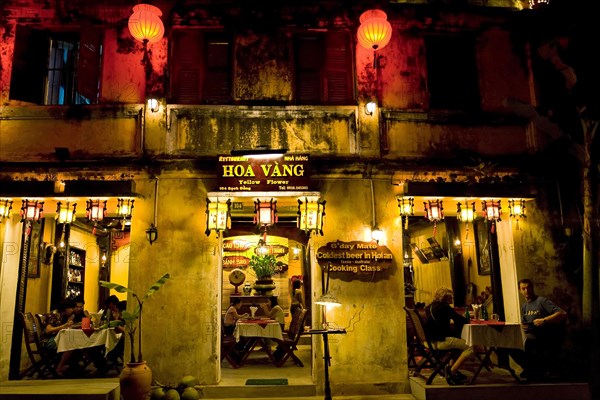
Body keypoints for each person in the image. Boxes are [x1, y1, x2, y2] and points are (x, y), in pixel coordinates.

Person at [514, 278, 567, 380]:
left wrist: (544, 320)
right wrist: (524, 327)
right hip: (530, 337)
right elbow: (525, 323)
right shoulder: (524, 306)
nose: (527, 291)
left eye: (529, 288)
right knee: (511, 346)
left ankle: (533, 371)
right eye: (523, 288)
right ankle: (531, 369)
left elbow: (563, 313)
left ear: (532, 288)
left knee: (529, 345)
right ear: (520, 291)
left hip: (544, 337)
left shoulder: (541, 301)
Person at [424, 286, 474, 385]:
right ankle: (451, 372)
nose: (452, 299)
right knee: (470, 347)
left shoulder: (429, 307)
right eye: (450, 297)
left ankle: (450, 368)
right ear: (445, 297)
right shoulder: (445, 307)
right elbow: (460, 320)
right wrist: (467, 318)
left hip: (428, 341)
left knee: (458, 346)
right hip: (441, 341)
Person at [42, 299, 77, 376]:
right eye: (71, 308)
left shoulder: (63, 316)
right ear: (66, 308)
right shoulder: (54, 315)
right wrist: (64, 326)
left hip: (58, 338)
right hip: (49, 340)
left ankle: (71, 367)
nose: (72, 310)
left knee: (75, 342)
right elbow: (48, 330)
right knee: (71, 344)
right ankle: (60, 367)